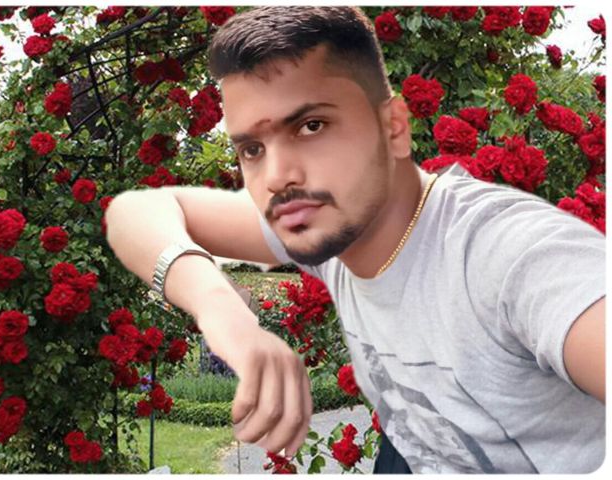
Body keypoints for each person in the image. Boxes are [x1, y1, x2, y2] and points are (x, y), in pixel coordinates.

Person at [105, 7, 605, 474]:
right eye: (252, 148)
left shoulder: (507, 254)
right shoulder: (330, 229)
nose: (276, 176)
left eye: (311, 126)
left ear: (394, 129)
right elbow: (135, 213)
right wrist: (223, 312)